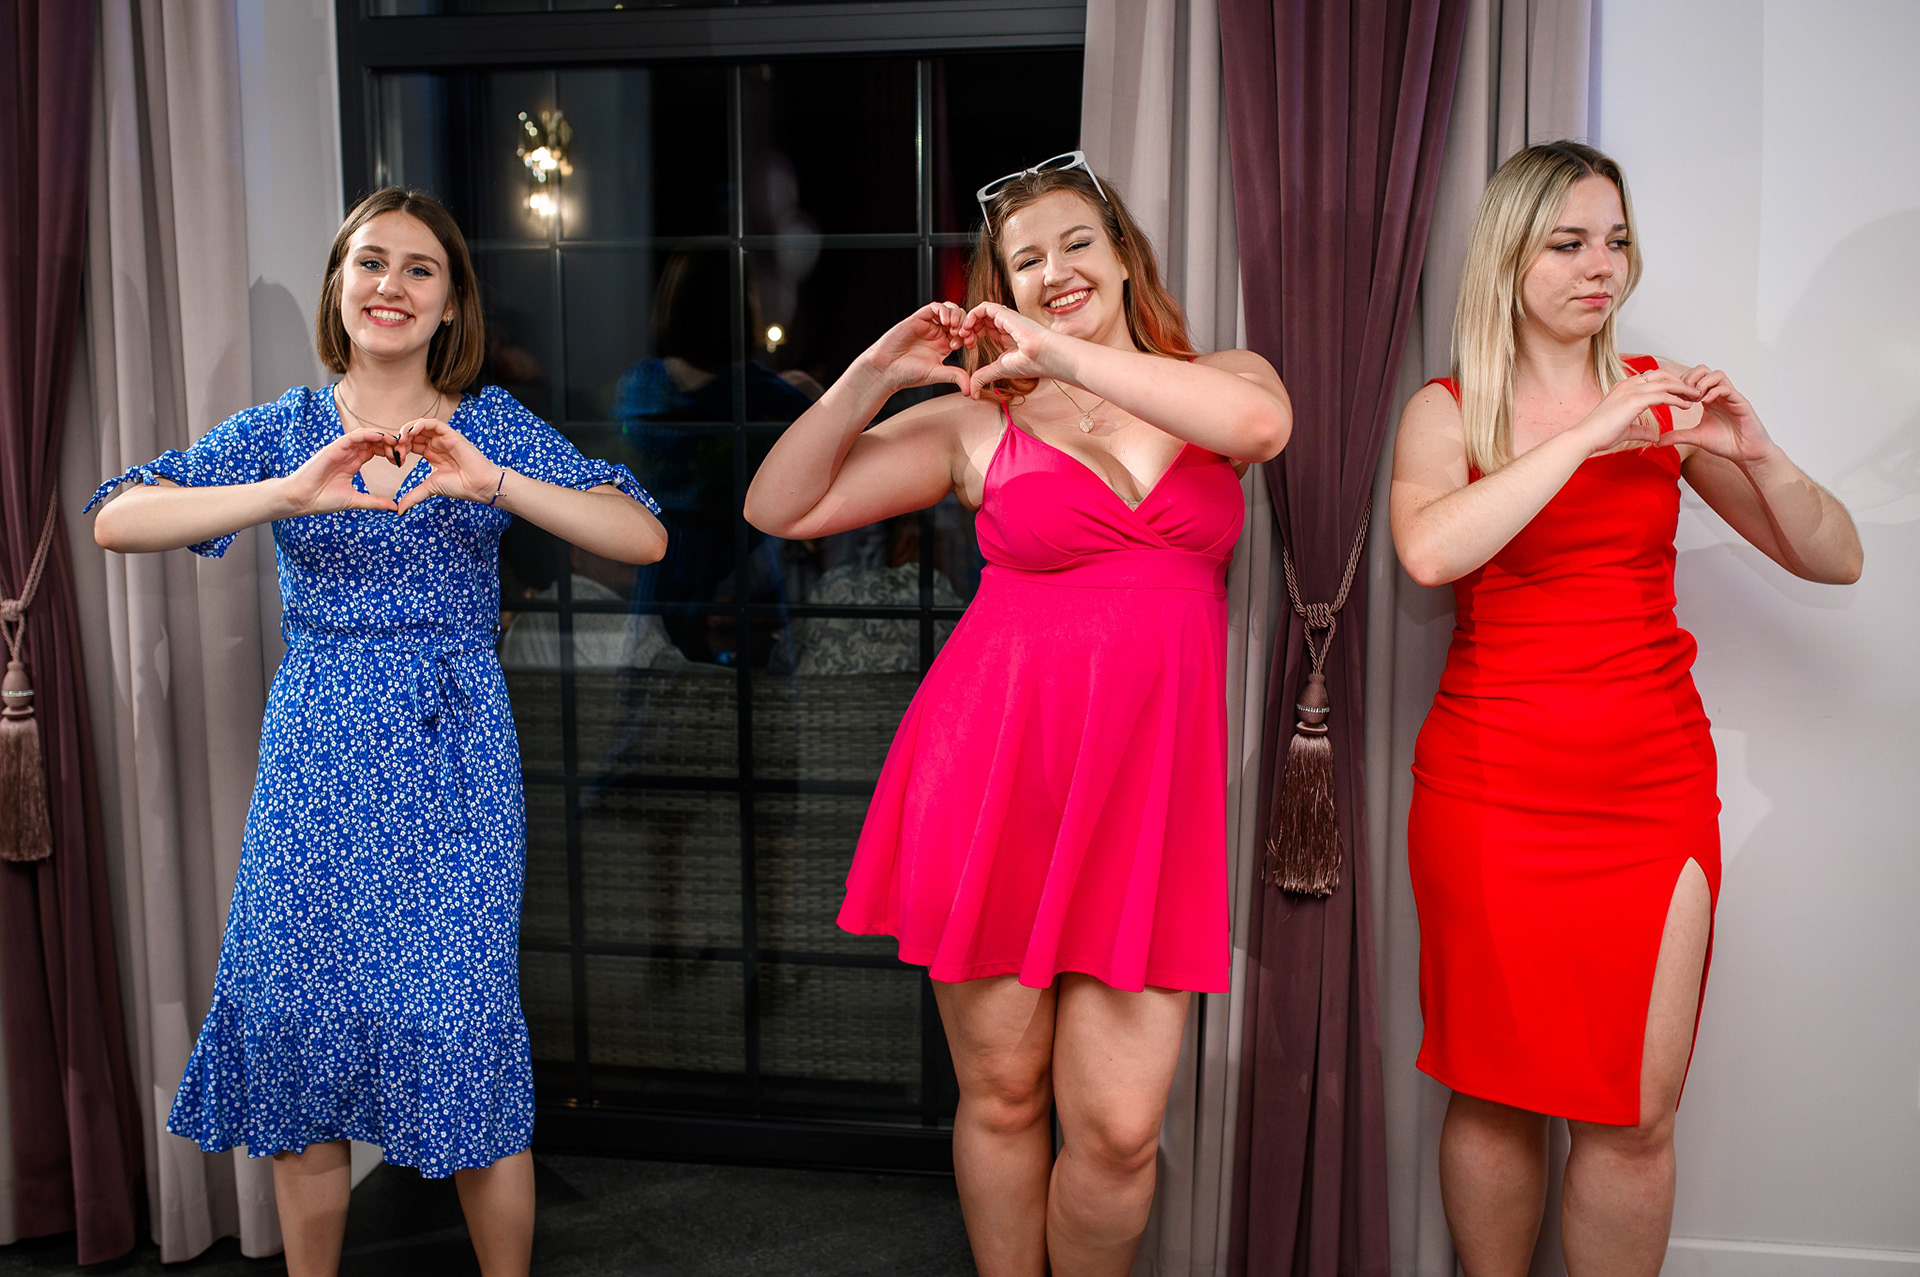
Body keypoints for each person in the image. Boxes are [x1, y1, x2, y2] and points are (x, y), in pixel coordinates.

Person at [87, 187, 666, 1277]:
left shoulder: (487, 423)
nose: (390, 285)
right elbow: (119, 516)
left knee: (465, 1034)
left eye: (418, 268)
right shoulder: (287, 429)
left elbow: (640, 535)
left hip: (454, 755)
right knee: (302, 1033)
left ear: (451, 303)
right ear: (340, 287)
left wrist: (493, 482)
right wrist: (282, 495)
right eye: (370, 262)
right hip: (317, 754)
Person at [745, 152, 1291, 1277]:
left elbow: (1261, 428)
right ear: (1003, 286)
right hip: (994, 772)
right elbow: (778, 505)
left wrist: (1061, 355)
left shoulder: (1219, 379)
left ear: (1123, 256)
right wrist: (873, 374)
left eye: (1077, 242)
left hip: (1147, 790)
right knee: (1001, 1095)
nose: (1056, 270)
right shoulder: (976, 421)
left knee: (1120, 1133)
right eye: (1026, 259)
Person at [1389, 141, 1862, 1276]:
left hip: (1651, 792)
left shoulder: (1667, 400)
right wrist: (1589, 432)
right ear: (1509, 257)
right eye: (1569, 243)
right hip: (1491, 795)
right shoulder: (1447, 412)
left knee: (1637, 1114)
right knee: (1495, 1091)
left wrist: (1758, 451)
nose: (1601, 266)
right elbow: (1430, 551)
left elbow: (1837, 557)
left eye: (1615, 240)